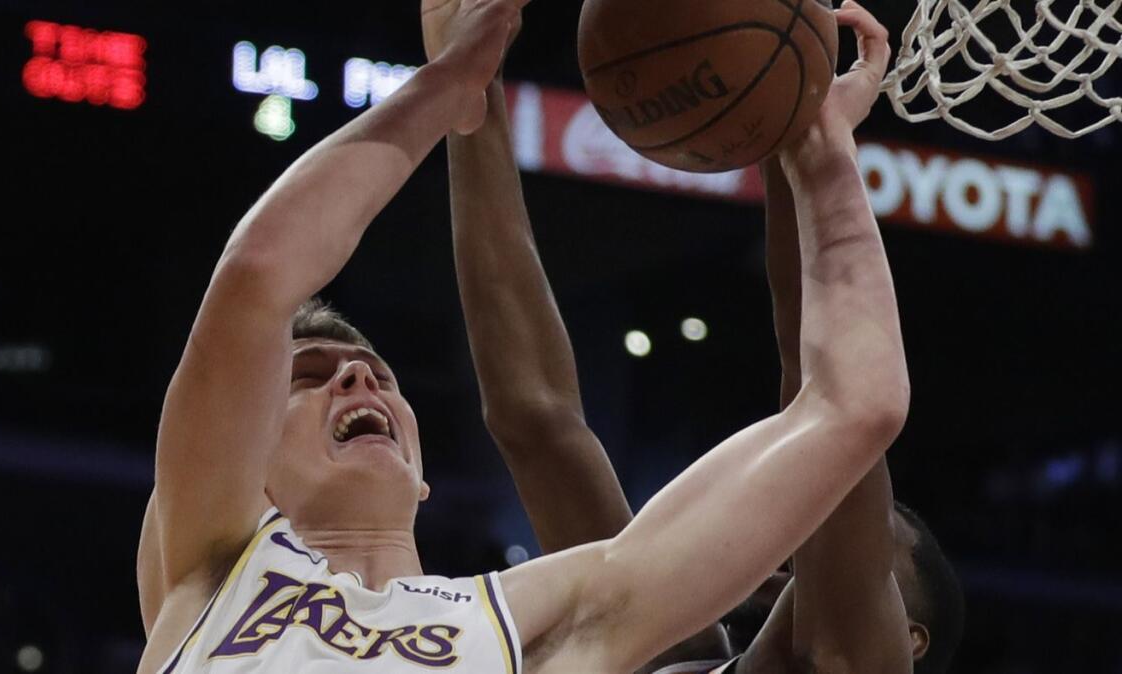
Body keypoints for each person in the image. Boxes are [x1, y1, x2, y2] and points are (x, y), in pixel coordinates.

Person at [135, 0, 911, 671]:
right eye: (308, 377)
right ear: (236, 459)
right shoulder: (211, 571)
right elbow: (259, 275)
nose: (359, 382)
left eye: (379, 376)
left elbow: (854, 406)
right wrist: (449, 85)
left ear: (423, 471)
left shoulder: (530, 625)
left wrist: (820, 150)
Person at [443, 1, 961, 672]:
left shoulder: (860, 659)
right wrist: (466, 84)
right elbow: (534, 418)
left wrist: (814, 138)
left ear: (909, 639)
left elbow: (832, 403)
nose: (807, 517)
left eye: (862, 532)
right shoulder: (662, 649)